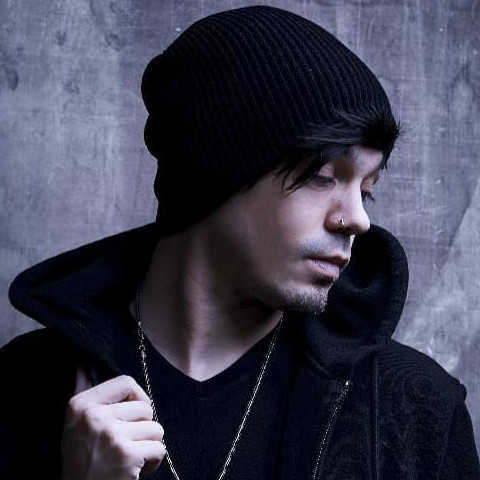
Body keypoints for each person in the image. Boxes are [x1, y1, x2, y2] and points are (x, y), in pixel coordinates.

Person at [1, 5, 478, 480]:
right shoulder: (25, 388)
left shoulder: (417, 411)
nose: (357, 219)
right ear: (218, 172)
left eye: (367, 190)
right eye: (322, 176)